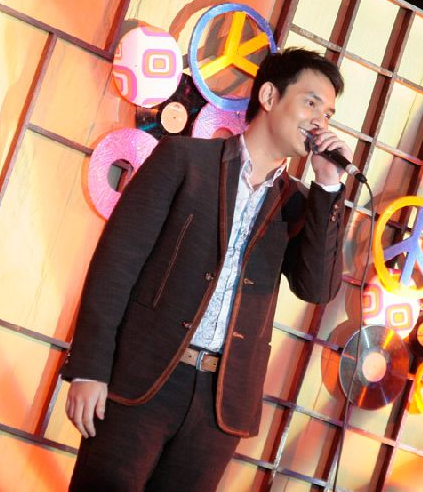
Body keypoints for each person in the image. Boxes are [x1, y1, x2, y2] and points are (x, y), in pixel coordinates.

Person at [61, 48, 350, 490]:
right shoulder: (184, 159)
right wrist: (89, 368)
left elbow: (318, 288)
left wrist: (328, 186)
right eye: (311, 103)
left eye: (327, 114)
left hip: (220, 404)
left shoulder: (296, 203)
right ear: (269, 96)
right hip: (143, 376)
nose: (320, 122)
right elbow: (116, 264)